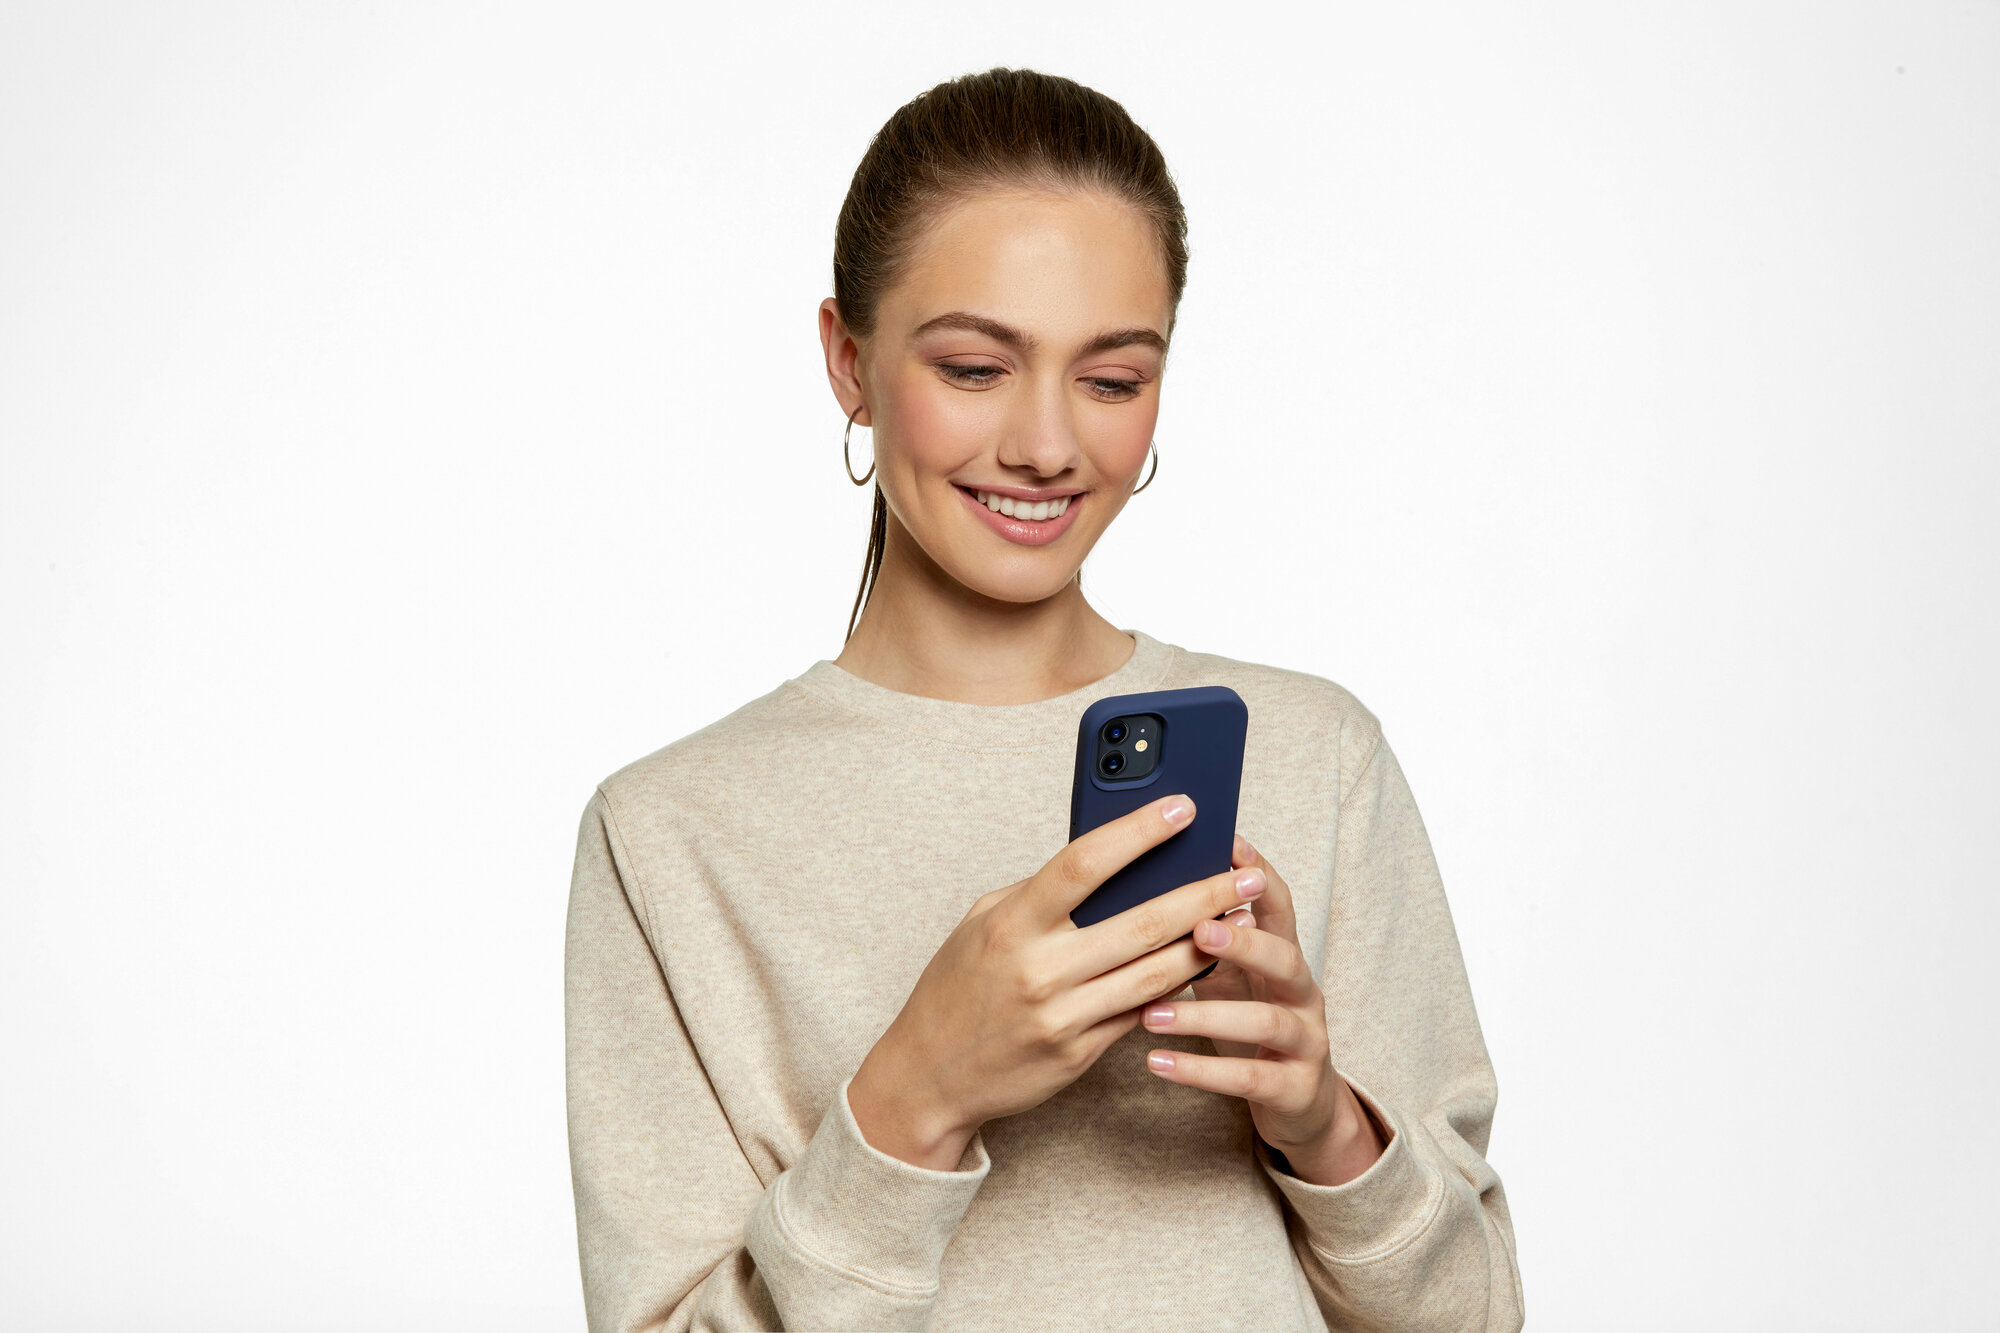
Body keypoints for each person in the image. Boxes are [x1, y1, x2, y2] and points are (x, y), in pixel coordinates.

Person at [564, 66, 1524, 1333]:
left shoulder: (1316, 756)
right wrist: (913, 1095)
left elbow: (1476, 1316)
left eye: (1111, 380)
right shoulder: (667, 832)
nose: (1045, 446)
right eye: (973, 366)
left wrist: (1326, 1129)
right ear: (849, 360)